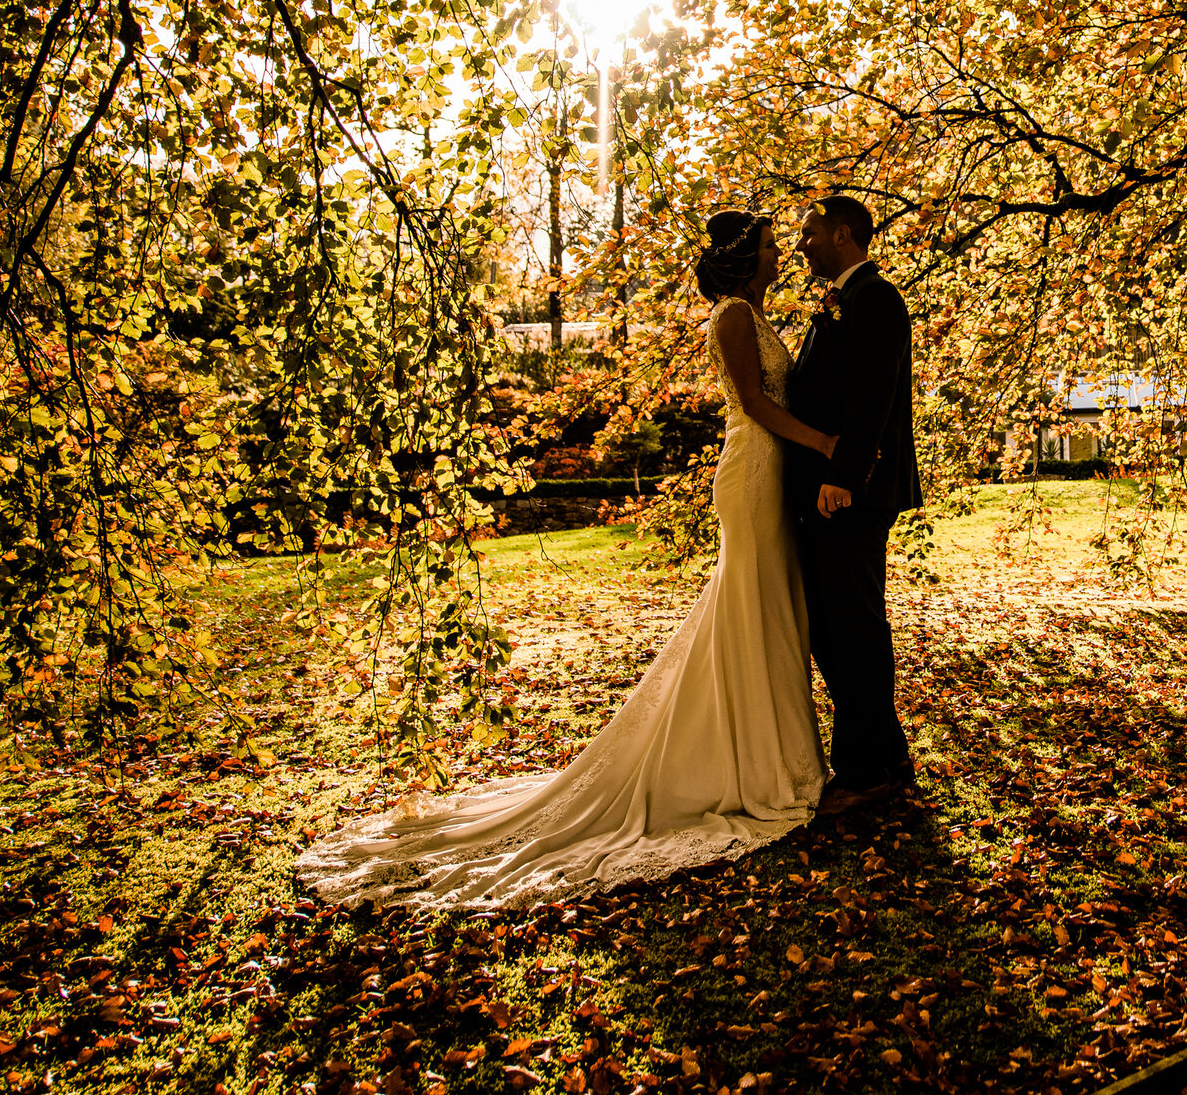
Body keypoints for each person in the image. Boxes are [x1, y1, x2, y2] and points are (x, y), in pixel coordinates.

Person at [294, 212, 835, 907]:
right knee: (752, 607)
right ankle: (753, 770)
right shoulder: (731, 315)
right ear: (742, 258)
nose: (778, 252)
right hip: (751, 475)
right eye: (767, 244)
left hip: (772, 476)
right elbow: (754, 402)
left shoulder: (758, 314)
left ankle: (771, 755)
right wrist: (821, 442)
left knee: (764, 610)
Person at [784, 195, 921, 814]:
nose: (800, 243)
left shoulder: (879, 299)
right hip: (829, 487)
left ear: (842, 235)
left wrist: (842, 476)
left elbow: (872, 400)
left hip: (851, 491)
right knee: (833, 628)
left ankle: (865, 774)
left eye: (809, 233)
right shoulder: (843, 299)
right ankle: (886, 751)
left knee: (852, 627)